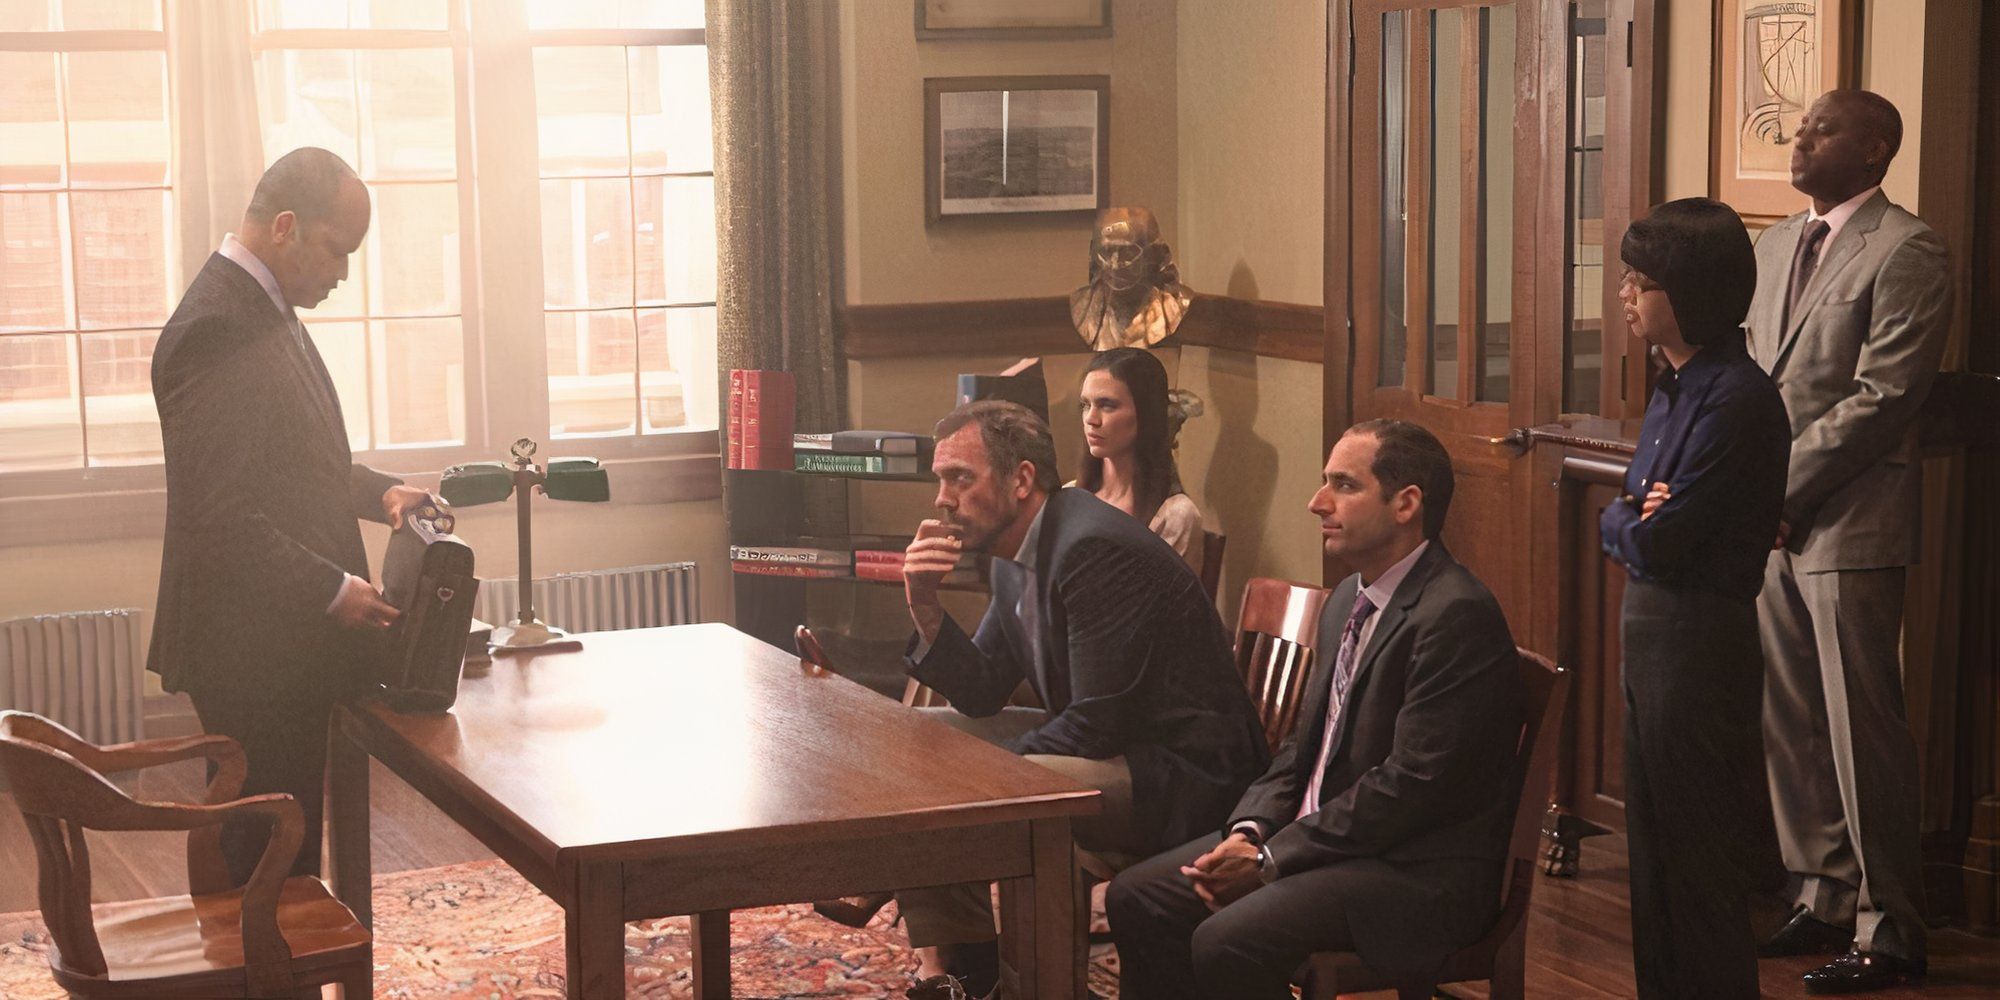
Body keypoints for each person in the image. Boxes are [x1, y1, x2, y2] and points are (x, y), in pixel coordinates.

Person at [1106, 419, 1523, 1000]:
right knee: (1137, 895)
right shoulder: (1349, 599)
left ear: (1405, 504)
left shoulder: (1455, 615)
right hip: (1330, 843)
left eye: (1343, 486)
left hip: (1413, 873)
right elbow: (1300, 750)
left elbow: (1411, 788)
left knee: (1225, 940)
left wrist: (1273, 858)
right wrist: (1250, 830)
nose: (1315, 502)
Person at [895, 400, 1268, 996]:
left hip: (1180, 773)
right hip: (1112, 748)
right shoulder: (1018, 546)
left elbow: (1095, 723)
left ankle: (1025, 983)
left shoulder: (1091, 547)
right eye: (941, 480)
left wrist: (982, 775)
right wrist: (924, 604)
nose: (942, 498)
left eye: (960, 478)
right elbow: (983, 688)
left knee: (1007, 781)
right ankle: (972, 970)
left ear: (1021, 480)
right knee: (925, 743)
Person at [149, 147, 431, 884]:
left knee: (284, 862)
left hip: (274, 645)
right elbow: (222, 518)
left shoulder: (259, 308)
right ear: (285, 227)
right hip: (250, 651)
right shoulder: (219, 326)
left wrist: (382, 495)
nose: (342, 273)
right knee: (263, 870)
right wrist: (335, 592)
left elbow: (294, 467)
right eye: (338, 250)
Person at [1746, 90, 1952, 994]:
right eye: (1801, 126)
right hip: (1769, 525)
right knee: (1790, 725)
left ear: (1874, 147)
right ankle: (1822, 892)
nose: (1801, 138)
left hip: (1850, 522)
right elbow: (1755, 382)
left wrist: (1779, 491)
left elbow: (1883, 398)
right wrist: (1751, 495)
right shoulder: (1778, 242)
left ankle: (1890, 927)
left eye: (1821, 127)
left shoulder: (1910, 249)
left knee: (1860, 730)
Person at [1598, 198, 1791, 999]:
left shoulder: (1737, 398)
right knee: (1653, 855)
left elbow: (1658, 537)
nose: (1626, 298)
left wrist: (1634, 518)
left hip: (1698, 639)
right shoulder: (1673, 387)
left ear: (1690, 292)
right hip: (1651, 633)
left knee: (1698, 858)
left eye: (1639, 283)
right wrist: (1631, 515)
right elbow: (1630, 515)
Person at [1073, 347, 1204, 574]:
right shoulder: (1070, 496)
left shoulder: (1175, 515)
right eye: (1086, 405)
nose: (1091, 419)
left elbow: (1163, 606)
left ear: (1146, 413)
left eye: (1107, 405)